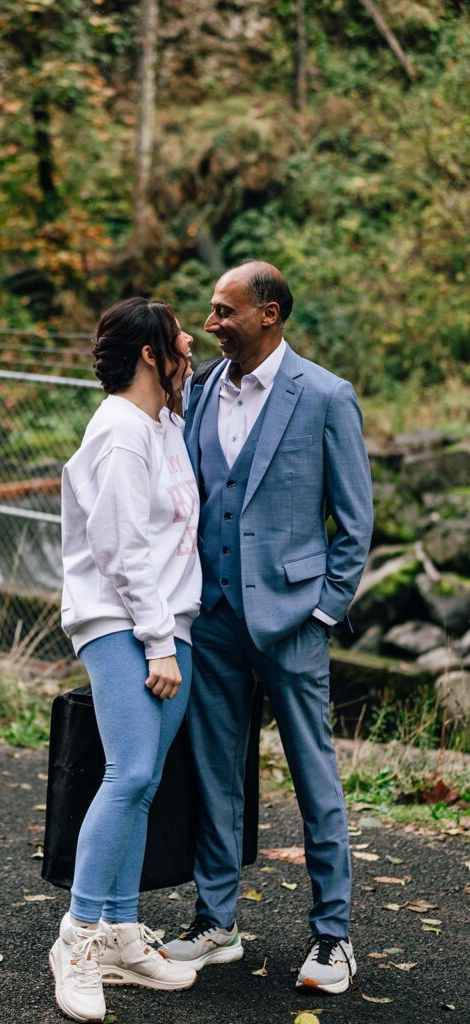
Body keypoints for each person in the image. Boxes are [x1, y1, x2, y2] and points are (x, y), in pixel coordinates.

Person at [161, 261, 373, 995]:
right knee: (215, 774)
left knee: (314, 777)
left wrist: (323, 609)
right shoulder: (200, 391)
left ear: (269, 315)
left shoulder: (323, 395)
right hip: (212, 618)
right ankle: (216, 923)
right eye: (212, 311)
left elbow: (354, 519)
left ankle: (333, 938)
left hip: (292, 622)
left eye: (224, 311)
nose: (212, 322)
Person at [50, 297, 202, 1022]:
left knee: (142, 783)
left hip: (169, 622)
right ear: (150, 354)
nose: (192, 348)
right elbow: (118, 548)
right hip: (123, 623)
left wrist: (174, 628)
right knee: (132, 771)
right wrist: (159, 638)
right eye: (181, 341)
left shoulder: (161, 423)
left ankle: (117, 933)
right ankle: (77, 938)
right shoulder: (118, 432)